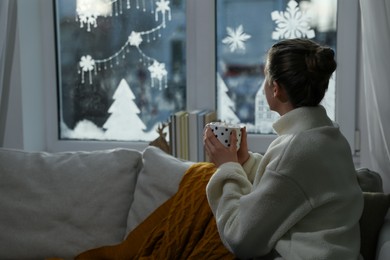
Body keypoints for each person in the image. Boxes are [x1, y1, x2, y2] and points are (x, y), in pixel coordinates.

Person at [204, 38, 364, 260]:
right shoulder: (330, 137)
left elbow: (240, 238)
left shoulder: (295, 150)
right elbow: (291, 184)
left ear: (276, 89)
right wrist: (246, 163)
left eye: (266, 78)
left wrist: (227, 167)